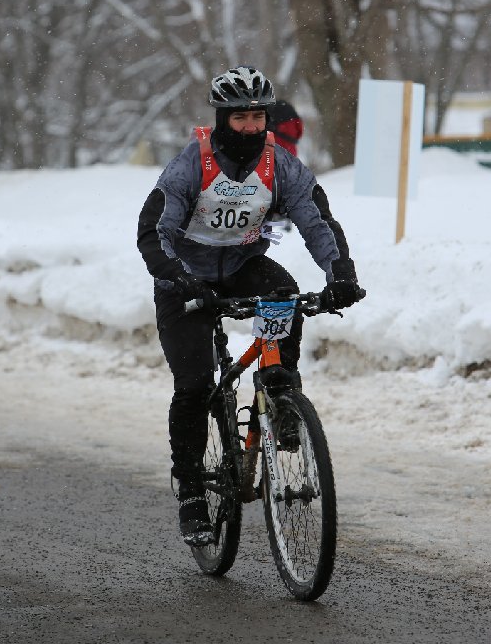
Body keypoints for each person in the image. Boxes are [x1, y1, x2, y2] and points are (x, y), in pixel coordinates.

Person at [136, 66, 364, 546]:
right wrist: (180, 278)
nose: (250, 127)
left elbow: (316, 220)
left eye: (258, 117)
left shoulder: (281, 165)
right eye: (239, 118)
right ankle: (191, 490)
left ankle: (281, 392)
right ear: (222, 119)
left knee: (284, 295)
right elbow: (153, 232)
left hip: (243, 265)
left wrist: (340, 274)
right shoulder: (190, 164)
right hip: (185, 277)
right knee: (195, 384)